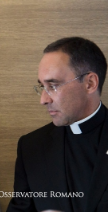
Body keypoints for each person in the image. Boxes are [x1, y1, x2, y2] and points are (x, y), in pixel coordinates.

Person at [7, 37, 108, 212]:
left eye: (53, 86)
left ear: (90, 83)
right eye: (42, 87)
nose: (43, 100)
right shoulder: (31, 147)